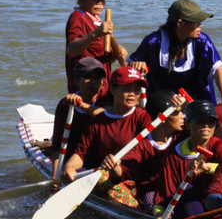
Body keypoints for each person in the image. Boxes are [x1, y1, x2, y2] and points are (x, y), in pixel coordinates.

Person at [129, 0, 222, 105]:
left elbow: (218, 70)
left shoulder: (203, 41)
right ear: (180, 23)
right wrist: (137, 65)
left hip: (198, 103)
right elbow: (129, 66)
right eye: (196, 21)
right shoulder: (153, 41)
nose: (200, 25)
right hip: (163, 104)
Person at [61, 66, 152, 185]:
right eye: (126, 89)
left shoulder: (143, 117)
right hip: (110, 178)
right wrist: (70, 167)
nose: (132, 94)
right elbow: (80, 153)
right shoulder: (98, 122)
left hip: (137, 180)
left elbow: (150, 149)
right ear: (113, 90)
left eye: (136, 90)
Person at [155, 99, 222, 219]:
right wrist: (158, 216)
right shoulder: (174, 154)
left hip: (216, 214)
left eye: (211, 122)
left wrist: (208, 167)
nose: (206, 126)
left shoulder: (220, 147)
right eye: (201, 121)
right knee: (187, 189)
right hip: (184, 213)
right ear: (188, 124)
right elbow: (163, 195)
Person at [112, 89, 186, 210]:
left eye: (183, 112)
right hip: (152, 192)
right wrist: (114, 166)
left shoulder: (183, 134)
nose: (183, 116)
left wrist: (186, 105)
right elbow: (121, 172)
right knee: (152, 203)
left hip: (178, 188)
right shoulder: (142, 146)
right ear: (162, 117)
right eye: (177, 113)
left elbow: (200, 122)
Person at [50, 57, 108, 185]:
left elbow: (105, 116)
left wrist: (82, 105)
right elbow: (57, 148)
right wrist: (55, 177)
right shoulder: (65, 105)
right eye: (88, 77)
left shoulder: (108, 99)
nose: (93, 82)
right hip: (73, 160)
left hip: (102, 160)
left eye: (97, 77)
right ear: (76, 80)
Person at [65, 0, 126, 92]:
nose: (100, 2)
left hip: (102, 85)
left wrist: (117, 53)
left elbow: (98, 56)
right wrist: (96, 33)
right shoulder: (77, 17)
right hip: (85, 89)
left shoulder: (96, 21)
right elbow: (72, 50)